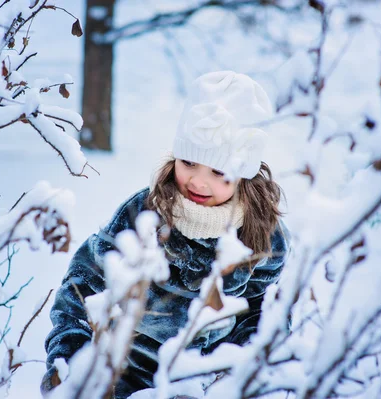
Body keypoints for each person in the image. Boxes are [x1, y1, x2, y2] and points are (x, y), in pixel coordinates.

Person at [41, 71, 290, 398]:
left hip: (203, 383)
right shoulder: (145, 213)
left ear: (243, 175)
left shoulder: (262, 235)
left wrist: (237, 372)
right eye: (188, 162)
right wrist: (71, 357)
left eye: (218, 172)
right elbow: (84, 284)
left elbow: (259, 313)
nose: (198, 183)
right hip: (122, 378)